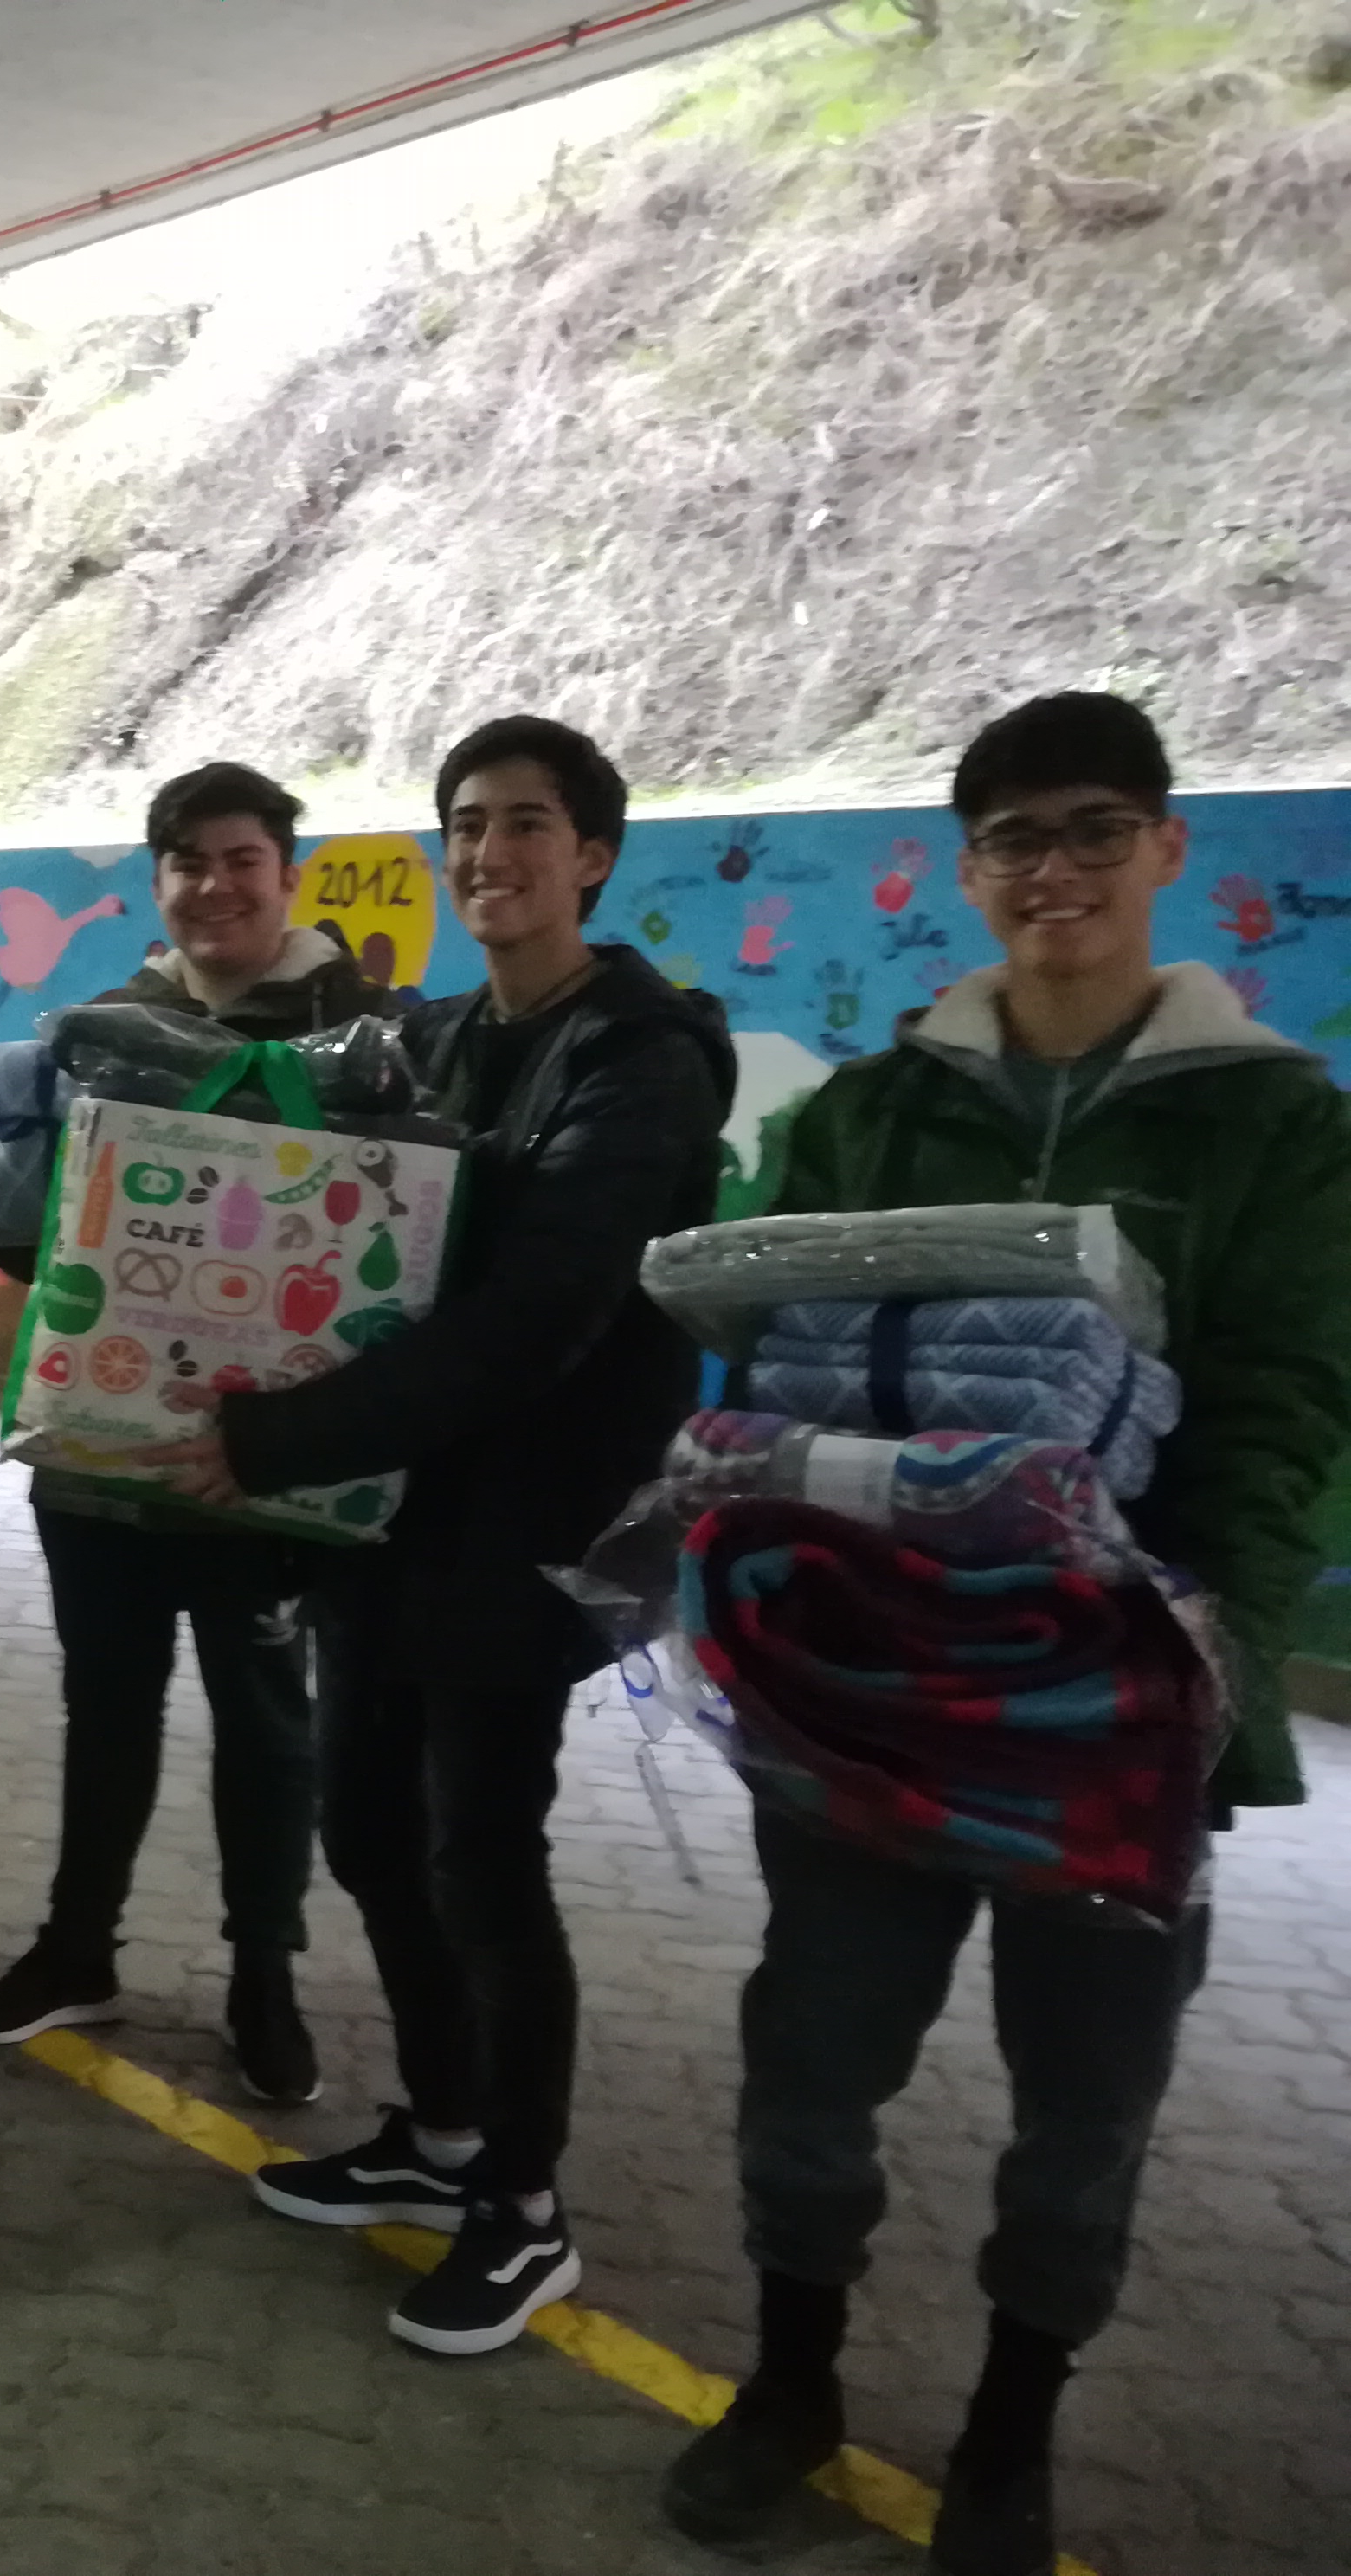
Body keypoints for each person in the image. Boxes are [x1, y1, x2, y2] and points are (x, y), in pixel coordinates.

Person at [659, 694, 1351, 2576]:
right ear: (967, 872)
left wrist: (1202, 1664)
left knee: (1084, 2108)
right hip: (867, 1675)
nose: (1056, 870)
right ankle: (791, 2385)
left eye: (1094, 828)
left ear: (1165, 847)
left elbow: (1285, 1407)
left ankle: (1008, 2435)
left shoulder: (1275, 1123)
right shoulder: (874, 1109)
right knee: (813, 2058)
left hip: (1118, 1703)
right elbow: (778, 1361)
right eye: (1015, 839)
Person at [145, 717, 734, 2355]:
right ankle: (444, 2127)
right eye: (466, 825)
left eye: (526, 824)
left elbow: (535, 1321)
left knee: (483, 1853)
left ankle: (523, 2207)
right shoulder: (433, 1038)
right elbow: (336, 1236)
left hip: (530, 1525)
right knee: (366, 1826)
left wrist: (275, 1440)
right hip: (391, 1512)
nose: (490, 853)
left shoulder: (641, 1061)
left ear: (592, 856)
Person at [0, 762, 391, 2103]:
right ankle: (78, 1947)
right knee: (107, 1700)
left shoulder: (369, 1041)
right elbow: (38, 1251)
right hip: (105, 1444)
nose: (216, 886)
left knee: (267, 1722)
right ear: (159, 883)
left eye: (242, 859)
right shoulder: (103, 1035)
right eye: (189, 862)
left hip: (268, 1459)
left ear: (288, 875)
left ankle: (264, 1977)